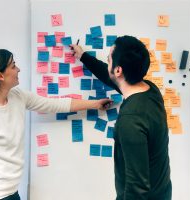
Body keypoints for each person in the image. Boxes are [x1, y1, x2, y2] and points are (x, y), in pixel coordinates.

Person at [0, 49, 112, 200]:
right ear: (0, 76)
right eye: (13, 66)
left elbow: (54, 104)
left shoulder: (18, 97)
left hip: (11, 193)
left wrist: (95, 104)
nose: (18, 69)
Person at [71, 35, 171, 200]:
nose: (107, 61)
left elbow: (137, 188)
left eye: (109, 59)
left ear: (118, 70)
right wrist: (83, 56)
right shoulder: (151, 90)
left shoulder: (130, 121)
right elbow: (111, 77)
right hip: (162, 192)